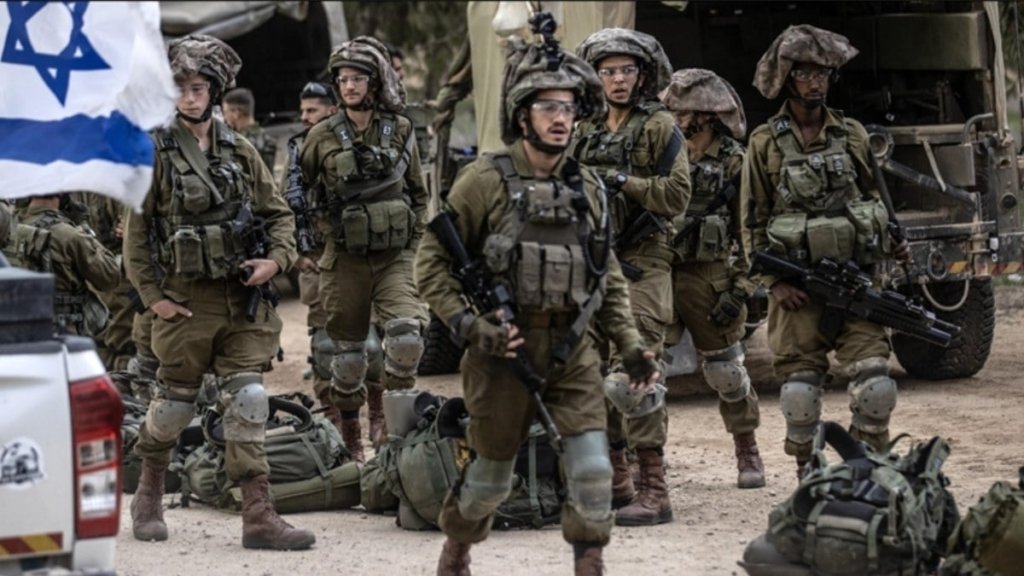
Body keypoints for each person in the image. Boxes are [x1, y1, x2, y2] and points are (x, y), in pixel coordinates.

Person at [416, 31, 661, 575]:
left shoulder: (588, 187)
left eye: (569, 108)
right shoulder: (483, 181)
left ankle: (589, 563)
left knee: (593, 472)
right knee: (488, 482)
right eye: (548, 106)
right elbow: (430, 265)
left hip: (573, 350)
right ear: (522, 115)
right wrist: (470, 326)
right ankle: (456, 552)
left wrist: (631, 345)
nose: (561, 118)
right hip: (501, 354)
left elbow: (607, 276)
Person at [123, 34, 313, 550]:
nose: (189, 97)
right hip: (185, 303)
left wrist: (276, 261)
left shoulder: (240, 149)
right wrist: (154, 298)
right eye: (180, 88)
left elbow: (278, 214)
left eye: (198, 88)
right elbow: (136, 238)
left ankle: (258, 514)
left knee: (249, 399)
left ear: (214, 91)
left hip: (240, 300)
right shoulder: (154, 152)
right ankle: (149, 491)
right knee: (173, 408)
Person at [742, 25, 910, 476]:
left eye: (822, 74)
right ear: (787, 80)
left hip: (855, 281)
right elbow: (751, 220)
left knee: (876, 387)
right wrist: (773, 282)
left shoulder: (852, 134)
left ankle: (863, 469)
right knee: (800, 394)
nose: (814, 83)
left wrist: (894, 242)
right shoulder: (764, 142)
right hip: (797, 289)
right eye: (804, 74)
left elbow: (876, 198)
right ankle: (809, 475)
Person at [572, 28, 690, 526]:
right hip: (593, 264)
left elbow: (677, 197)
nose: (617, 80)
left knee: (634, 376)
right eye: (607, 72)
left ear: (642, 75)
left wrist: (624, 181)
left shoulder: (660, 126)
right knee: (592, 375)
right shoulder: (582, 129)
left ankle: (655, 489)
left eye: (626, 70)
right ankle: (619, 479)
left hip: (644, 261)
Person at [299, 36, 429, 463]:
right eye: (343, 79)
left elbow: (418, 194)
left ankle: (395, 432)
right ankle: (352, 437)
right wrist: (307, 244)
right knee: (350, 357)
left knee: (406, 338)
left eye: (358, 78)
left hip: (395, 256)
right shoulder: (321, 135)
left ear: (375, 83)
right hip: (344, 258)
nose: (350, 86)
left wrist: (413, 245)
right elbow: (296, 193)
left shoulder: (401, 129)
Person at [658, 69, 766, 489]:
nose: (675, 118)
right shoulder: (660, 155)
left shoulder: (734, 162)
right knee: (646, 371)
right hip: (660, 274)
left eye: (683, 112)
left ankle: (747, 448)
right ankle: (646, 456)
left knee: (726, 371)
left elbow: (749, 231)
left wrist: (740, 288)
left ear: (706, 115)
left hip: (710, 276)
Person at [2, 194, 121, 338]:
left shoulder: (7, 228)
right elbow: (109, 276)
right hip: (62, 333)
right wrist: (83, 227)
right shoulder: (68, 234)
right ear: (61, 193)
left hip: (13, 328)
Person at [222, 87, 278, 175]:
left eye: (226, 112)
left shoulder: (239, 143)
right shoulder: (267, 139)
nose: (224, 118)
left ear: (236, 113)